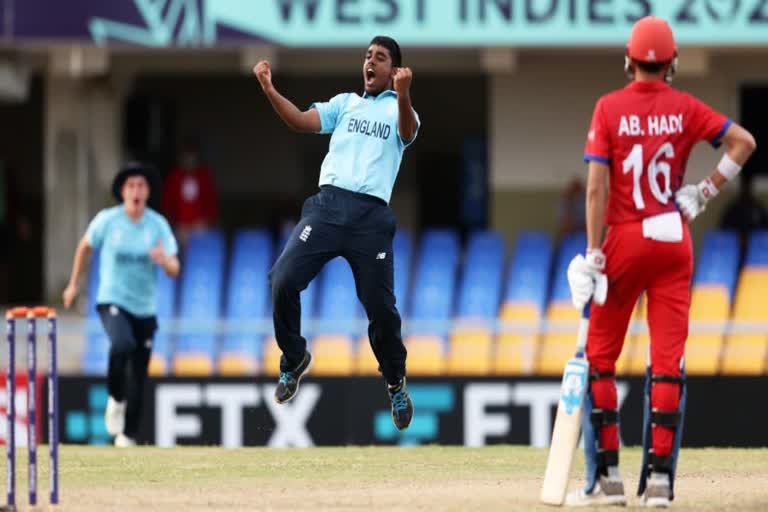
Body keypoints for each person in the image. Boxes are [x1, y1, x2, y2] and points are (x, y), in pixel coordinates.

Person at [566, 16, 756, 507]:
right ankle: (661, 483)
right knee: (667, 363)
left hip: (625, 237)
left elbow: (595, 187)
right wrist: (706, 190)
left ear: (628, 59)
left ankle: (608, 481)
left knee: (602, 360)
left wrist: (592, 251)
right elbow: (745, 142)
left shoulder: (608, 107)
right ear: (671, 63)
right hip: (673, 237)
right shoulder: (686, 106)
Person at [253, 35, 419, 431]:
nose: (370, 62)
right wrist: (268, 88)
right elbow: (298, 120)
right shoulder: (345, 104)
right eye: (367, 56)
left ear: (394, 70)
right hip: (328, 208)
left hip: (370, 218)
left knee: (380, 309)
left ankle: (394, 380)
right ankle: (293, 359)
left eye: (380, 58)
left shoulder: (402, 109)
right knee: (282, 280)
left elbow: (408, 131)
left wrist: (404, 93)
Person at [63, 162, 181, 447]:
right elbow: (84, 247)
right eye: (131, 186)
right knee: (122, 344)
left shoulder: (157, 224)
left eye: (141, 186)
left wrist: (164, 261)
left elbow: (175, 267)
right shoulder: (108, 220)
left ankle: (127, 437)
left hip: (145, 309)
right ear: (123, 191)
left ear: (148, 191)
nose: (136, 191)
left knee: (139, 374)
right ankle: (116, 397)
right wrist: (73, 284)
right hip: (112, 300)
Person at [161, 138, 219, 246]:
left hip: (201, 226)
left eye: (192, 156)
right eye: (186, 156)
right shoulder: (174, 176)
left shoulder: (204, 176)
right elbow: (167, 203)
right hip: (181, 226)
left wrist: (206, 221)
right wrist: (175, 223)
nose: (189, 159)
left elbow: (211, 202)